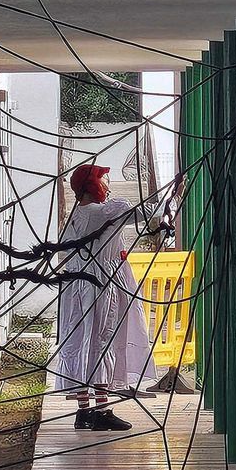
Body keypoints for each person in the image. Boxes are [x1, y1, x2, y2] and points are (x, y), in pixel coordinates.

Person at [53, 163, 160, 430]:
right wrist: (176, 194)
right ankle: (101, 411)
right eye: (104, 181)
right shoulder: (107, 213)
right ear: (94, 186)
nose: (108, 186)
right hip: (100, 284)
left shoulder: (75, 217)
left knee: (81, 341)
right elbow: (148, 213)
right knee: (103, 341)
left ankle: (84, 410)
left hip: (75, 285)